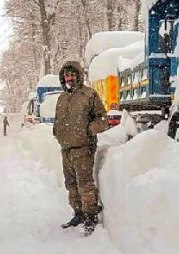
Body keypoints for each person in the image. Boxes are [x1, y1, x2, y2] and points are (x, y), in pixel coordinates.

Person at [53, 61, 109, 235]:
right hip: (66, 149)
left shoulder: (89, 95)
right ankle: (78, 213)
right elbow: (58, 120)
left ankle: (90, 216)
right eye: (66, 76)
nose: (69, 78)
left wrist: (89, 130)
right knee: (71, 184)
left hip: (84, 148)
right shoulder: (62, 98)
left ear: (78, 75)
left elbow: (102, 118)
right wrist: (56, 131)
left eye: (72, 75)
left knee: (85, 184)